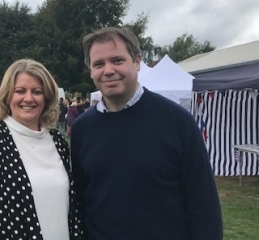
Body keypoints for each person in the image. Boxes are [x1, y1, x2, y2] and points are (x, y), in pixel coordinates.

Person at [70, 27, 223, 240]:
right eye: (98, 64)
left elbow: (204, 206)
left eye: (117, 60)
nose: (108, 70)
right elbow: (81, 201)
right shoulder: (81, 130)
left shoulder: (177, 122)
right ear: (91, 71)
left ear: (137, 61)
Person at [0, 59, 83, 239]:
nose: (28, 98)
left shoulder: (58, 142)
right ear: (7, 96)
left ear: (46, 98)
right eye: (20, 91)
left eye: (37, 91)